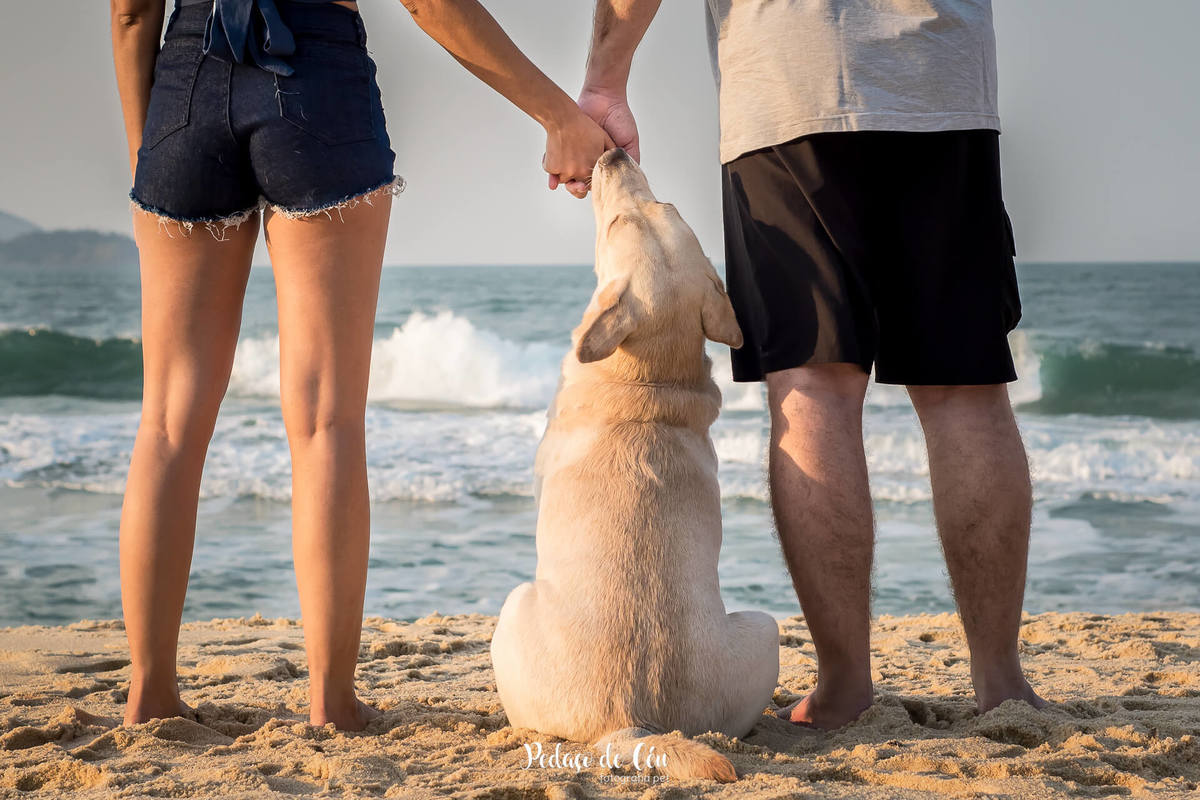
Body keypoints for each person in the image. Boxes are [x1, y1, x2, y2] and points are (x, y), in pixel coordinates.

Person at [111, 0, 611, 731]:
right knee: (325, 421)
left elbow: (130, 13)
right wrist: (558, 114)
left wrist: (147, 145)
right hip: (315, 75)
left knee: (166, 425)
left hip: (183, 82)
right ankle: (329, 701)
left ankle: (149, 696)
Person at [575, 0, 1046, 729]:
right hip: (940, 79)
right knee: (964, 392)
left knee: (813, 389)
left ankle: (846, 688)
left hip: (789, 80)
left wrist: (605, 79)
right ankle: (1002, 684)